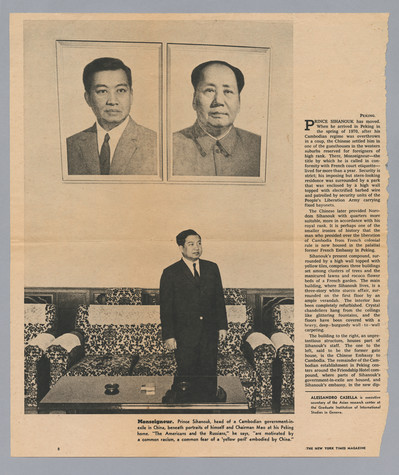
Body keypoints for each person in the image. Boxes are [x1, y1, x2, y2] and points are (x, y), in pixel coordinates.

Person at [160, 229, 227, 402]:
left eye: (199, 243)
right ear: (181, 248)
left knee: (209, 375)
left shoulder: (212, 268)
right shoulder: (170, 273)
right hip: (184, 336)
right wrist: (169, 336)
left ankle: (208, 412)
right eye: (191, 244)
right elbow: (166, 308)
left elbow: (219, 299)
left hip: (209, 334)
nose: (196, 247)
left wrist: (222, 326)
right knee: (186, 377)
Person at [67, 57, 157, 175]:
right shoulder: (70, 145)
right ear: (88, 98)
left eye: (120, 90)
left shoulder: (155, 143)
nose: (112, 101)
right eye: (102, 91)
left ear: (131, 95)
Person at [173, 60, 261, 177]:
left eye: (228, 91)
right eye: (210, 90)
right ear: (194, 100)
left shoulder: (259, 147)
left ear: (239, 102)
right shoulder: (171, 146)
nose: (218, 101)